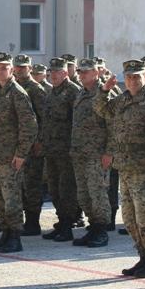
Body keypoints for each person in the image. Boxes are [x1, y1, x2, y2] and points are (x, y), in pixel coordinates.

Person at [95, 58, 145, 277]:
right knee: (129, 217)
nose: (133, 80)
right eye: (128, 77)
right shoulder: (123, 99)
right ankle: (142, 256)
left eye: (137, 76)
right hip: (125, 168)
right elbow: (102, 110)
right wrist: (104, 90)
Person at [0, 52, 38, 252]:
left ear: (12, 70)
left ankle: (15, 236)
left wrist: (21, 153)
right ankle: (5, 233)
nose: (0, 71)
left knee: (12, 198)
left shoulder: (17, 92)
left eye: (4, 67)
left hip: (10, 157)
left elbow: (29, 125)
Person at [71, 57, 114, 248]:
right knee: (84, 194)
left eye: (86, 72)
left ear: (96, 73)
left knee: (97, 193)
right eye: (80, 72)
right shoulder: (82, 93)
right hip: (80, 152)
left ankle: (101, 231)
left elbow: (113, 125)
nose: (81, 75)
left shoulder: (105, 93)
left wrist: (109, 152)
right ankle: (93, 227)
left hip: (97, 153)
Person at [41, 58, 81, 241]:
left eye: (58, 72)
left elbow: (78, 123)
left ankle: (67, 225)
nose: (54, 75)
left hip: (66, 151)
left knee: (66, 190)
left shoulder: (73, 92)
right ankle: (61, 222)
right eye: (52, 72)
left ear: (66, 73)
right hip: (51, 150)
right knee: (54, 189)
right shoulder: (51, 92)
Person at [13, 54, 48, 237]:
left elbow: (43, 117)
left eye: (23, 67)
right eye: (17, 67)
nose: (20, 70)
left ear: (29, 68)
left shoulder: (35, 88)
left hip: (33, 146)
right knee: (21, 185)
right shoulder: (14, 87)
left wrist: (40, 141)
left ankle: (33, 222)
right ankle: (26, 220)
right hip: (19, 144)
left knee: (32, 184)